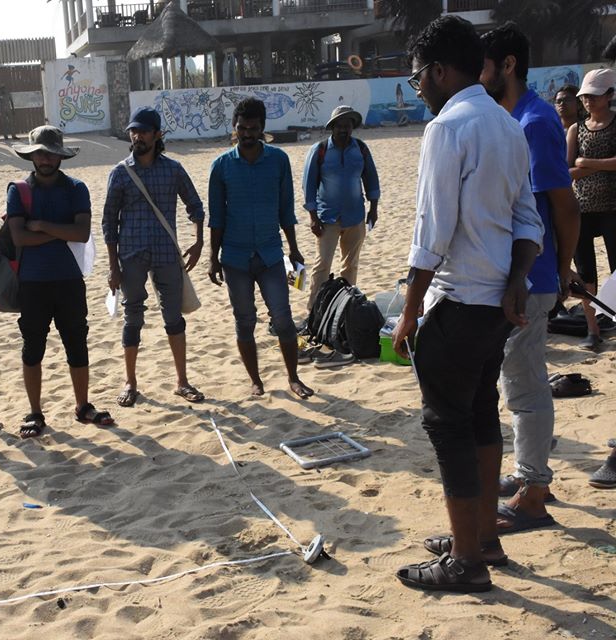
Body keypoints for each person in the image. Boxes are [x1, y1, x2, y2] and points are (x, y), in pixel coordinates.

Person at [391, 16, 543, 593]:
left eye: (416, 80)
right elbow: (529, 222)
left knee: (448, 426)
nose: (418, 90)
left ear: (437, 71)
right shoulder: (507, 126)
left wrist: (408, 311)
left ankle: (465, 561)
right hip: (496, 308)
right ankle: (483, 536)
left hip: (457, 301)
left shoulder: (447, 128)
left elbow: (432, 232)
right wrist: (519, 278)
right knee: (481, 415)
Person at [480, 22, 580, 534]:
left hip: (534, 276)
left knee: (526, 384)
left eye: (486, 66)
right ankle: (527, 474)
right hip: (517, 275)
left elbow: (564, 207)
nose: (480, 75)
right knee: (516, 379)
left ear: (508, 65)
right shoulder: (510, 117)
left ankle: (534, 492)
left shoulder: (536, 122)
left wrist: (562, 273)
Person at [8, 125, 114, 437]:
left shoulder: (76, 188)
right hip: (32, 281)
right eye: (40, 152)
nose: (46, 158)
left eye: (51, 153)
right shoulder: (18, 190)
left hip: (69, 279)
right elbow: (18, 237)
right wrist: (58, 230)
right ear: (32, 155)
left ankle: (83, 406)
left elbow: (81, 234)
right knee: (32, 348)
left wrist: (40, 225)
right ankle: (35, 412)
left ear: (60, 157)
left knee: (77, 344)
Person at [208, 97, 314, 400]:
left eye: (253, 129)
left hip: (270, 254)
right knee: (245, 321)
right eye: (242, 128)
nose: (247, 134)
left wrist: (294, 249)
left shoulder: (278, 160)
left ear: (263, 128)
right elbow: (216, 218)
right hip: (235, 257)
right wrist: (213, 259)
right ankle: (256, 381)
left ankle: (293, 378)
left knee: (283, 317)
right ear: (234, 128)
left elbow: (286, 210)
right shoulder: (221, 167)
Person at [102, 106, 206, 407]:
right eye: (134, 131)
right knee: (133, 316)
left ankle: (182, 381)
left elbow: (195, 206)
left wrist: (198, 242)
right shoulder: (120, 173)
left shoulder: (173, 169)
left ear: (157, 134)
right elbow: (109, 222)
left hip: (166, 253)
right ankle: (130, 381)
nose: (138, 136)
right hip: (131, 255)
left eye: (144, 131)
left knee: (173, 317)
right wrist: (112, 265)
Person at [302, 105, 380, 313]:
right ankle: (314, 311)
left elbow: (371, 178)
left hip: (356, 216)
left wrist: (374, 208)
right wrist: (313, 217)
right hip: (327, 218)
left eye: (348, 126)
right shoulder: (319, 151)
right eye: (340, 125)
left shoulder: (361, 149)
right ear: (333, 127)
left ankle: (345, 309)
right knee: (322, 266)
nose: (344, 129)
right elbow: (308, 185)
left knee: (350, 265)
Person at [568, 68, 616, 351]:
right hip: (582, 209)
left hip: (613, 209)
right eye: (585, 97)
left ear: (610, 95)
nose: (588, 101)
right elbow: (567, 170)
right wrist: (589, 166)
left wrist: (589, 163)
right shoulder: (577, 128)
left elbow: (579, 165)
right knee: (587, 275)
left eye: (594, 96)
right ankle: (593, 330)